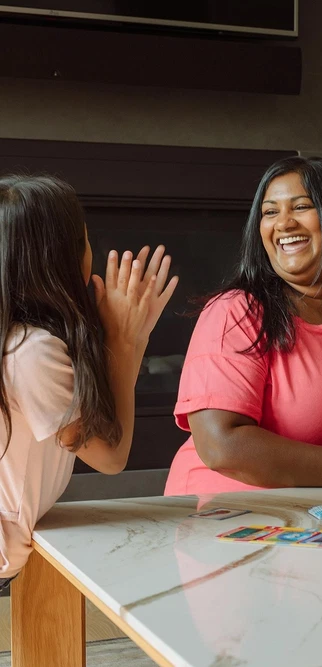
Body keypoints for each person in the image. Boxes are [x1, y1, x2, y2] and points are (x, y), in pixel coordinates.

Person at [164, 157, 322, 496]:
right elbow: (220, 445)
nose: (284, 224)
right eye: (270, 212)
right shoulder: (235, 312)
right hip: (233, 518)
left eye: (301, 207)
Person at [0, 174, 178, 586]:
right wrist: (122, 339)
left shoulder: (19, 339)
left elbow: (105, 419)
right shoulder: (31, 352)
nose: (91, 253)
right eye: (84, 241)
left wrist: (129, 340)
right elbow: (110, 456)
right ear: (57, 257)